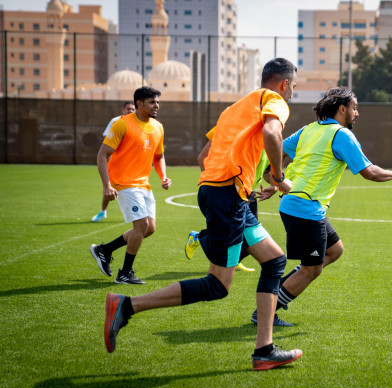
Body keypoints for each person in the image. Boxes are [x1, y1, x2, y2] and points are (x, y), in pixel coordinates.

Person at [103, 58, 302, 371]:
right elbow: (272, 134)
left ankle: (264, 349)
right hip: (227, 196)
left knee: (275, 260)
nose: (292, 93)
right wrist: (278, 177)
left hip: (222, 193)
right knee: (218, 285)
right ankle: (127, 306)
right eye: (293, 86)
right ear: (284, 84)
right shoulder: (274, 100)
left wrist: (234, 183)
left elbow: (204, 155)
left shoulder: (235, 108)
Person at [251, 87, 392, 326]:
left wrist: (276, 181)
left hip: (299, 205)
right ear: (342, 109)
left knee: (334, 250)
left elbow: (279, 151)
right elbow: (370, 173)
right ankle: (265, 313)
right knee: (312, 269)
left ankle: (274, 299)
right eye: (354, 107)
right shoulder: (341, 135)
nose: (357, 113)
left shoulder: (308, 130)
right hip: (305, 208)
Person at [90, 86, 172, 284]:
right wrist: (106, 185)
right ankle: (125, 273)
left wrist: (163, 176)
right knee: (141, 224)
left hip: (143, 184)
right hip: (123, 183)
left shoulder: (158, 127)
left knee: (149, 229)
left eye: (158, 102)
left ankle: (104, 250)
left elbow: (158, 156)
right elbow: (102, 155)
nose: (156, 106)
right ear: (139, 103)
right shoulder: (122, 124)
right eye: (152, 102)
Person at [185, 127, 271, 272]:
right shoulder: (233, 124)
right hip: (228, 192)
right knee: (232, 236)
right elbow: (203, 157)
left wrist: (276, 186)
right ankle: (201, 238)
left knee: (248, 238)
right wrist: (214, 186)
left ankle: (233, 261)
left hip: (247, 193)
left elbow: (268, 171)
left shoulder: (269, 136)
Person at [91, 101, 136, 222]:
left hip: (130, 163)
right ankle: (103, 212)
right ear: (123, 110)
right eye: (128, 109)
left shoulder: (138, 122)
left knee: (133, 187)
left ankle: (135, 212)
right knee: (108, 187)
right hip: (114, 162)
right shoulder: (116, 121)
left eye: (133, 109)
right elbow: (107, 140)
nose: (130, 111)